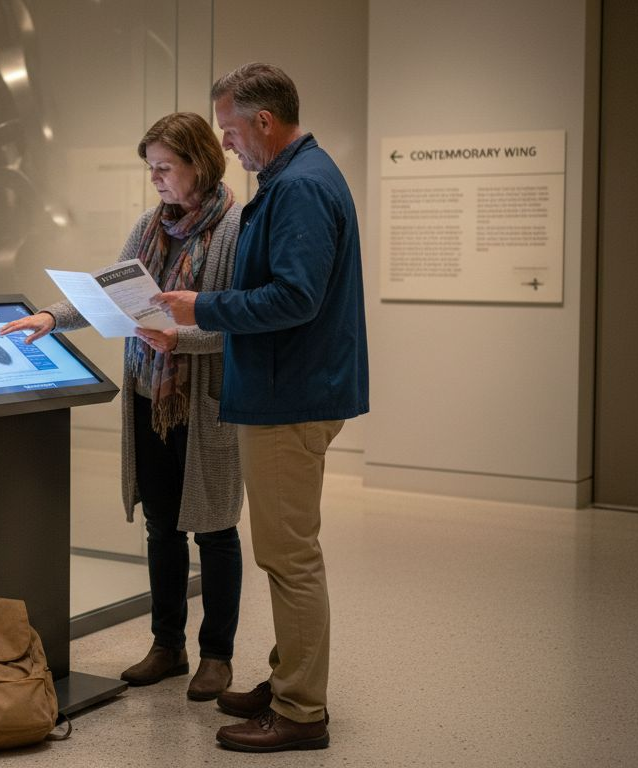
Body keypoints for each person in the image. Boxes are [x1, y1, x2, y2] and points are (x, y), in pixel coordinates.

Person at [154, 63, 369, 752]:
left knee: (289, 557)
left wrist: (202, 306)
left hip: (289, 397)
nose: (230, 146)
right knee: (287, 552)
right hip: (288, 389)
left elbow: (295, 298)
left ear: (265, 123)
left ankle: (301, 710)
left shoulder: (301, 188)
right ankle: (286, 681)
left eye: (232, 131)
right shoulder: (295, 179)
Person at [0, 112, 244, 702]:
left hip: (205, 402)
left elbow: (239, 323)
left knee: (214, 530)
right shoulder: (149, 225)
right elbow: (108, 290)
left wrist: (179, 338)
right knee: (162, 527)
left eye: (165, 168)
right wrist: (54, 316)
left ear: (200, 164)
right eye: (151, 169)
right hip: (149, 395)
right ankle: (168, 645)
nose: (156, 180)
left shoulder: (237, 228)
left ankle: (217, 656)